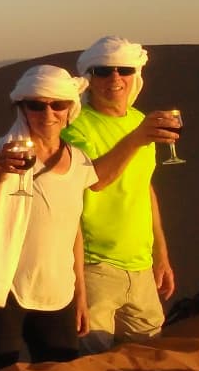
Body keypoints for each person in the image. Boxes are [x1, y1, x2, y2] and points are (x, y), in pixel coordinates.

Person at [0, 66, 95, 371]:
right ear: (22, 109)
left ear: (69, 109)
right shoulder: (0, 156)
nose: (47, 113)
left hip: (58, 292)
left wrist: (80, 293)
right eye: (35, 104)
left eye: (57, 104)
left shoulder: (79, 161)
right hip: (2, 289)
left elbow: (72, 228)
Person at [61, 36, 181, 353]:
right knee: (92, 366)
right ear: (90, 78)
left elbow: (145, 189)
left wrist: (162, 255)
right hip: (94, 268)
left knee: (150, 363)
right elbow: (94, 181)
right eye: (103, 71)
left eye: (124, 70)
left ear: (135, 76)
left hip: (141, 270)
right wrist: (135, 140)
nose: (115, 78)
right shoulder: (75, 127)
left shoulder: (141, 121)